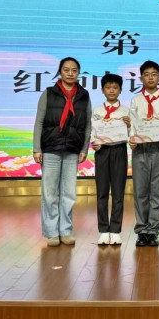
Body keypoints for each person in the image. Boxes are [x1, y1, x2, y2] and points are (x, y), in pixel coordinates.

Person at [33, 57, 91, 247]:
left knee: (69, 193)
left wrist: (84, 148)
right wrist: (37, 148)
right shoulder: (49, 93)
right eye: (66, 70)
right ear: (60, 72)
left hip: (73, 149)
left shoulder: (84, 95)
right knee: (49, 193)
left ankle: (65, 231)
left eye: (74, 70)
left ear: (78, 73)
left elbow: (87, 124)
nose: (70, 73)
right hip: (50, 148)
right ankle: (51, 232)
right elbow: (39, 121)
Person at [128, 61, 159, 247]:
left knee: (157, 190)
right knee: (140, 190)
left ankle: (153, 230)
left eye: (154, 74)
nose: (150, 77)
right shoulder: (136, 100)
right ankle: (142, 230)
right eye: (147, 74)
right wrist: (131, 139)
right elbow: (132, 125)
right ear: (141, 78)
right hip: (141, 147)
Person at [91, 74, 131, 246]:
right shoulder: (97, 111)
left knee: (118, 192)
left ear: (120, 90)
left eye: (115, 87)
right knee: (101, 192)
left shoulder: (126, 111)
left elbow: (133, 133)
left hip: (119, 150)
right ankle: (103, 230)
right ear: (102, 90)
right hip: (102, 152)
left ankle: (115, 230)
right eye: (108, 87)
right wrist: (94, 143)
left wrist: (129, 125)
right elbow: (93, 131)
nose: (112, 90)